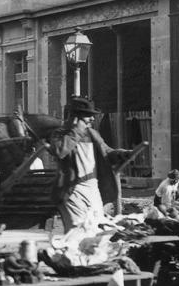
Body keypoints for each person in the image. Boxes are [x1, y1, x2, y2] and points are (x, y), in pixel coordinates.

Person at [48, 96, 128, 229]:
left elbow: (107, 152)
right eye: (88, 116)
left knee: (97, 228)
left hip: (93, 188)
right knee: (79, 230)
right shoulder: (60, 134)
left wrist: (120, 154)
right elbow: (60, 151)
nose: (92, 119)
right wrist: (76, 131)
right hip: (73, 190)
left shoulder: (92, 134)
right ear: (75, 117)